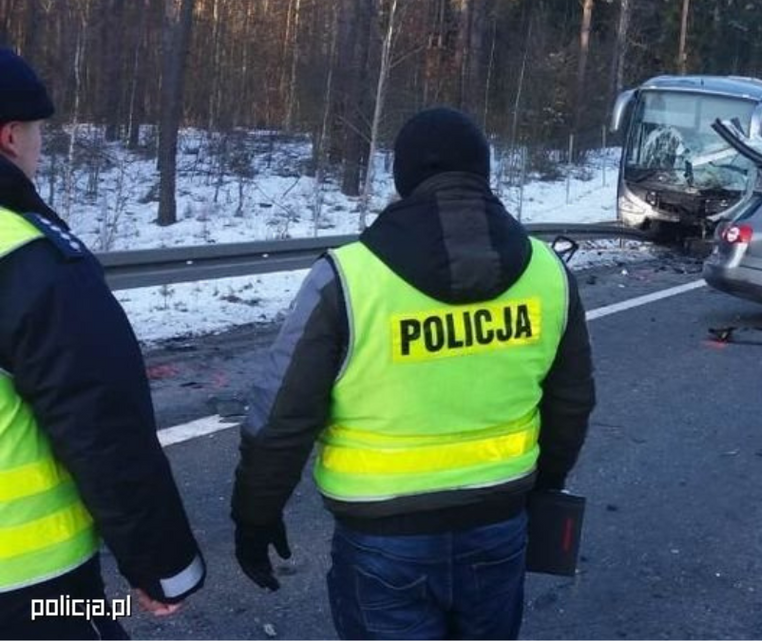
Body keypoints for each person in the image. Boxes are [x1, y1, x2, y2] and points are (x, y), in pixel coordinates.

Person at [231, 107, 595, 640]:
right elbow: (572, 402)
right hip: (499, 523)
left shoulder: (348, 279)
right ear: (484, 173)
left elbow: (282, 419)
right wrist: (546, 489)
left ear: (402, 178)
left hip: (383, 538)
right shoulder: (548, 273)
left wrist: (254, 516)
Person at [0, 48, 205, 639]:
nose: (40, 147)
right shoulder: (27, 258)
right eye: (39, 132)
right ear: (10, 137)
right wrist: (162, 565)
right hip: (33, 590)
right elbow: (102, 426)